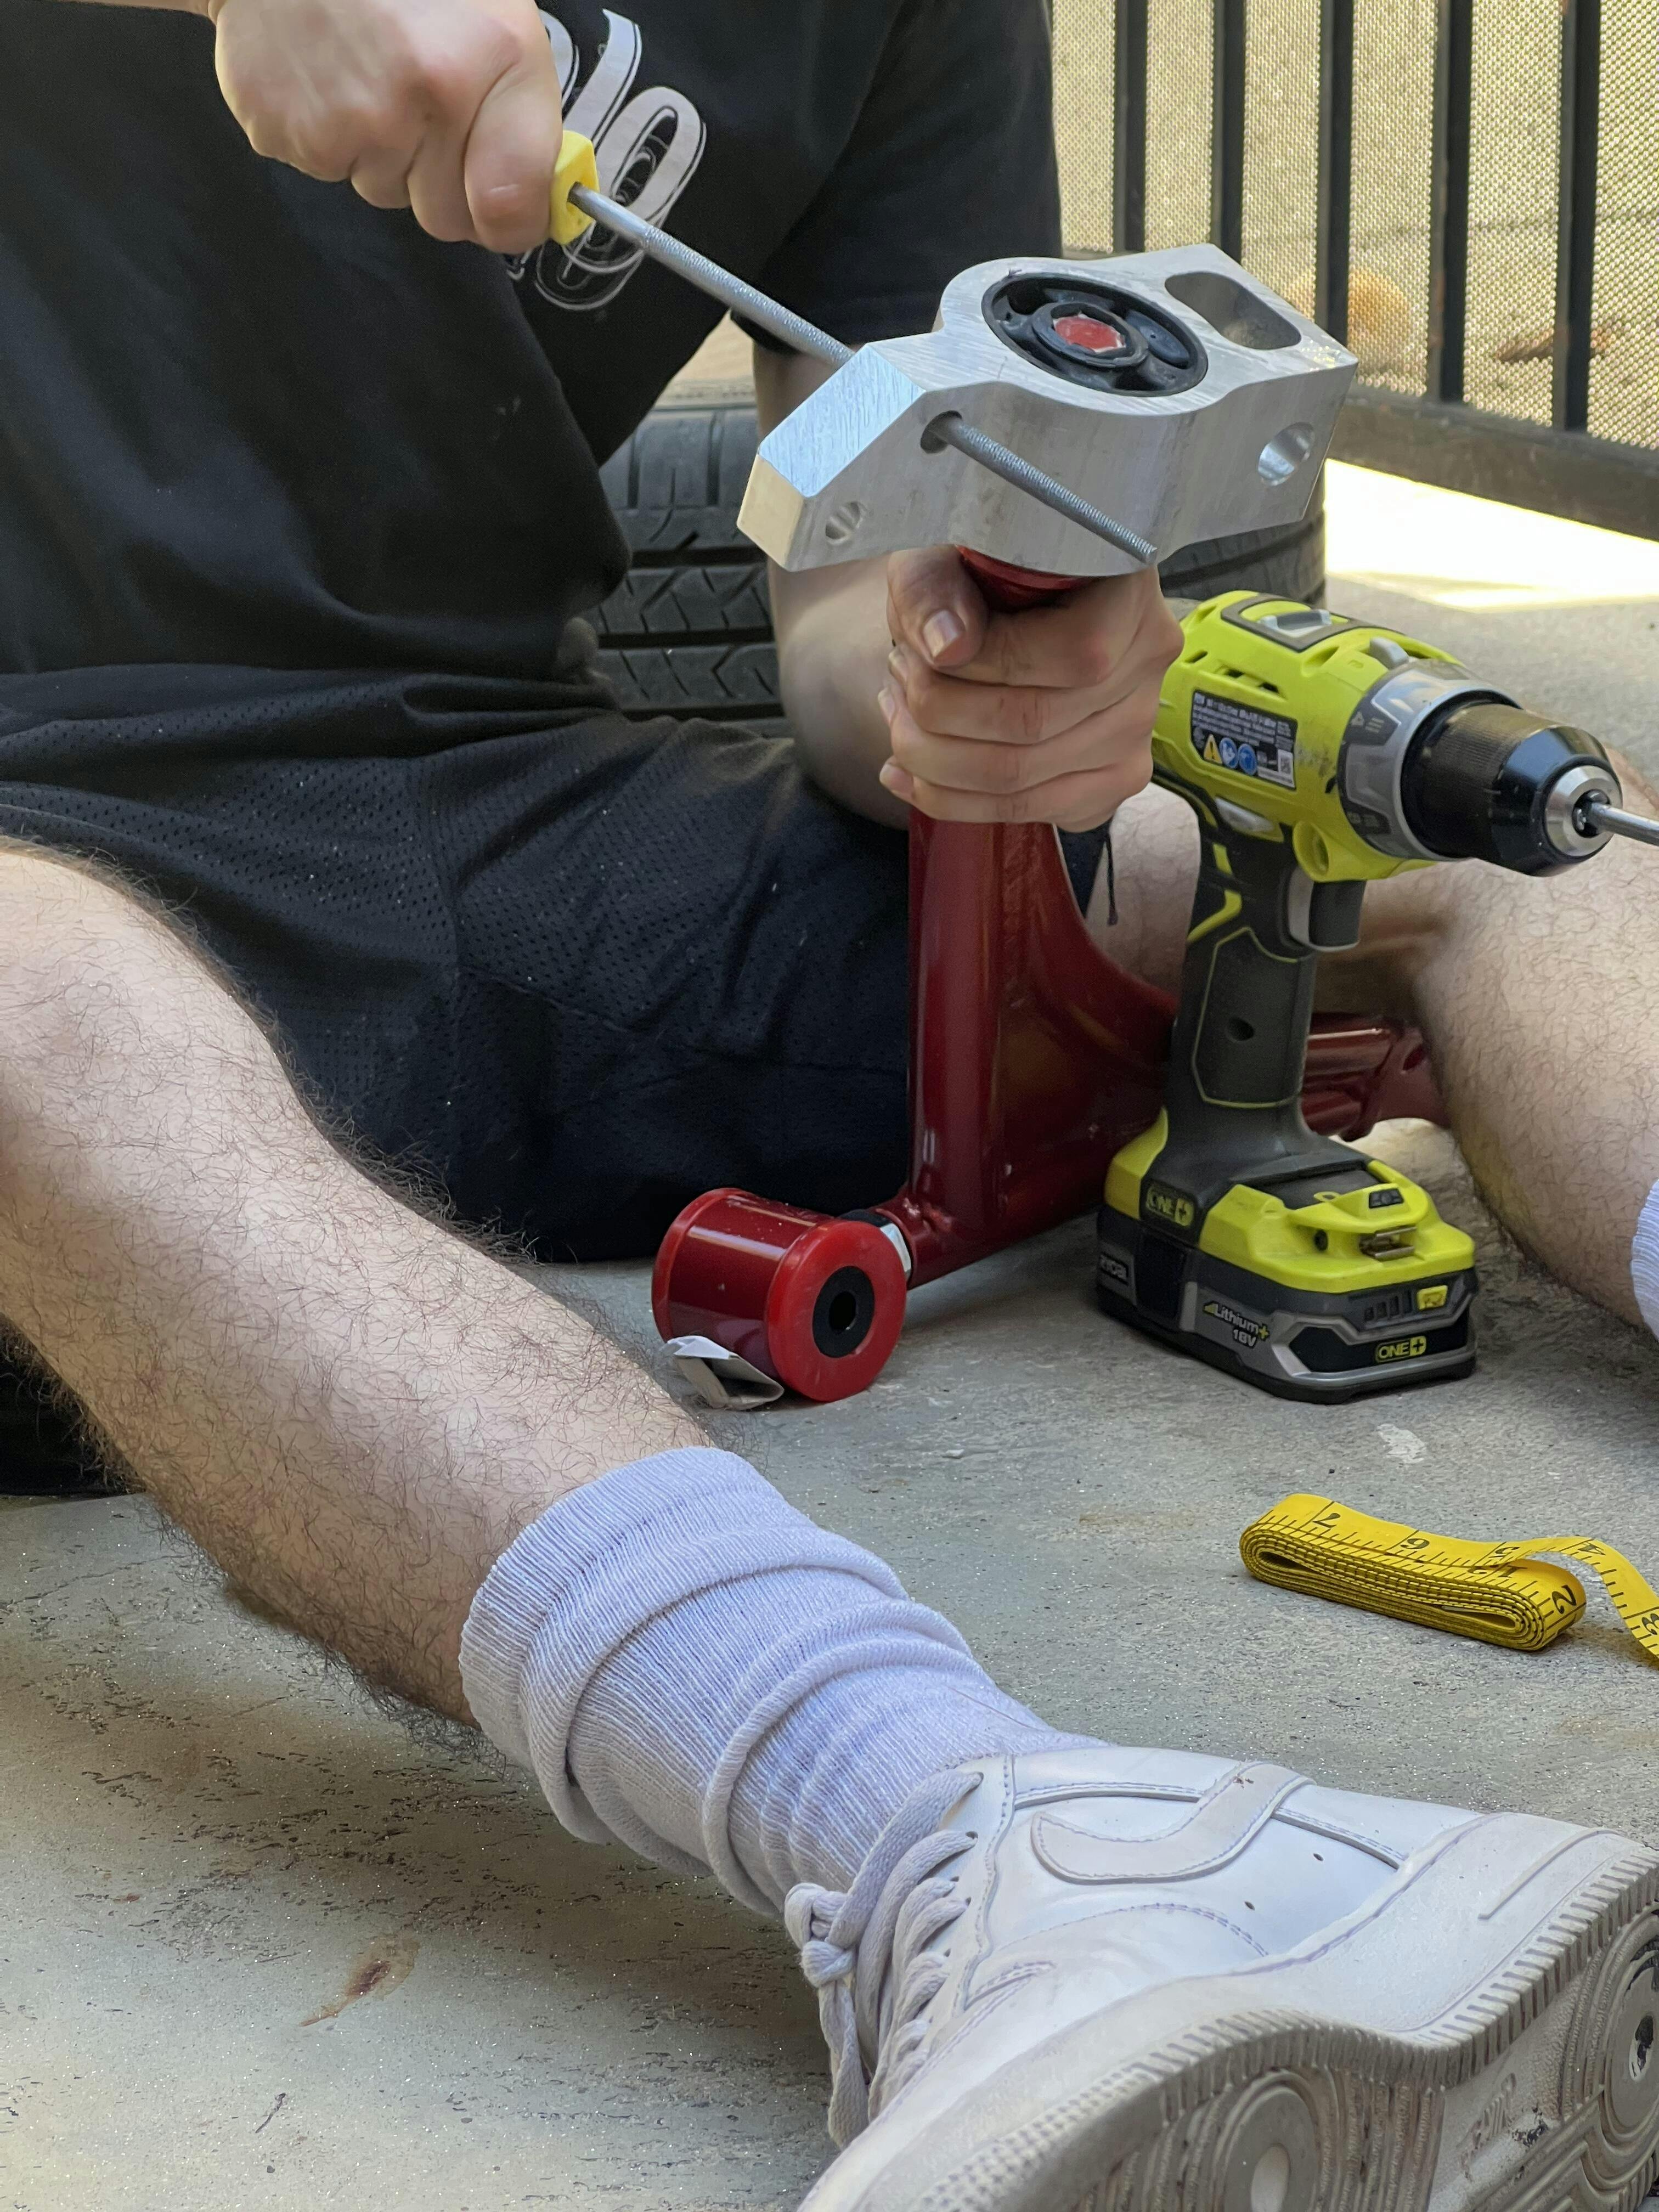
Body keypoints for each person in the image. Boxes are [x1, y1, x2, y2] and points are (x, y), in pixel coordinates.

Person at [3, 2, 1659, 2206]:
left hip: (497, 793)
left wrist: (964, 674)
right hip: (30, 811)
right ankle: (996, 1851)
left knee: (1447, 814)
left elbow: (854, 585)